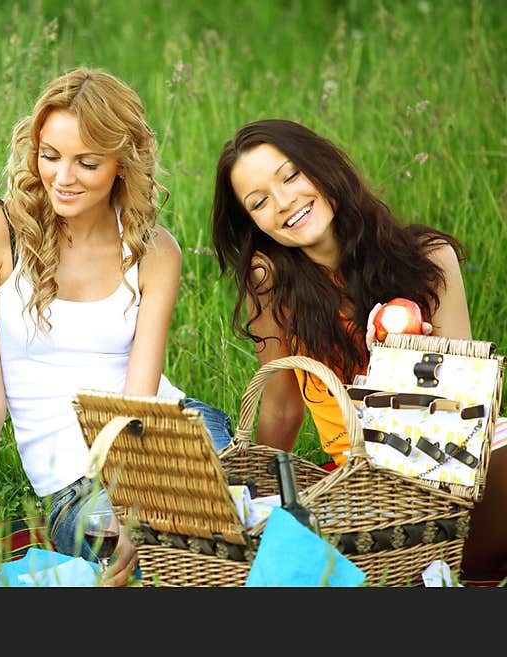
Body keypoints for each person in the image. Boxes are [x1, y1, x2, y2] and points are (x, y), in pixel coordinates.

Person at [0, 67, 233, 586]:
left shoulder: (154, 250)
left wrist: (138, 498)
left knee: (239, 526)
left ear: (122, 165)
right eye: (49, 155)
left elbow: (141, 400)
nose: (62, 177)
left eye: (86, 162)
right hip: (73, 482)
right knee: (177, 552)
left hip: (166, 433)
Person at [210, 117, 507, 582]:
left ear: (323, 167)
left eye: (290, 176)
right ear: (254, 224)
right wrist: (247, 498)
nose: (284, 202)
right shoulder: (272, 286)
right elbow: (282, 412)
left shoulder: (429, 260)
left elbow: (466, 416)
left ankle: (470, 580)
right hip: (359, 476)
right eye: (259, 202)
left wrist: (403, 365)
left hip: (444, 458)